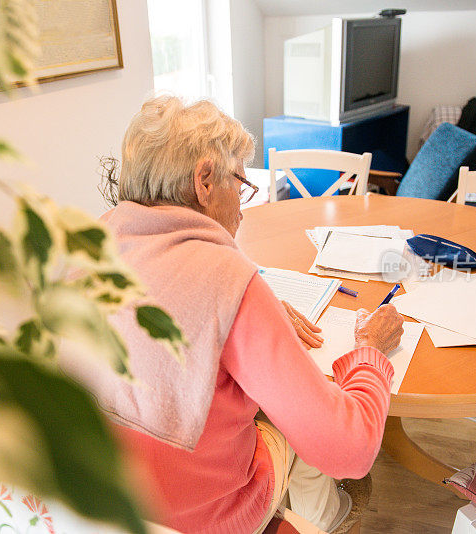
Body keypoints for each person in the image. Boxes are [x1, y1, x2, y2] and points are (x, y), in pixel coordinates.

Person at [72, 95, 403, 534]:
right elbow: (352, 452)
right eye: (240, 184)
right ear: (205, 180)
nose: (243, 207)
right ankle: (322, 519)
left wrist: (250, 315)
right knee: (301, 416)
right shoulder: (226, 277)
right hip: (205, 519)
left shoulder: (81, 248)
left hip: (97, 506)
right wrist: (369, 348)